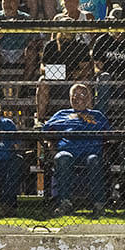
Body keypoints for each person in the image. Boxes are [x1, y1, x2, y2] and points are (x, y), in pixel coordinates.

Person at [43, 80, 111, 217]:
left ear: (88, 99)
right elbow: (45, 131)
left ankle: (99, 205)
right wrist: (51, 146)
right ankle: (65, 203)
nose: (78, 98)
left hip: (91, 152)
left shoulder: (97, 115)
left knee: (94, 159)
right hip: (67, 151)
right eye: (75, 95)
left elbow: (109, 135)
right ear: (70, 98)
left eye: (82, 95)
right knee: (63, 157)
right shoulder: (61, 114)